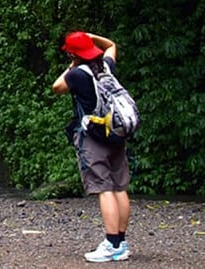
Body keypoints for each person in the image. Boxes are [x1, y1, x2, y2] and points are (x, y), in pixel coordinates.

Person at [52, 31, 132, 263]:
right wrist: (91, 37)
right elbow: (112, 45)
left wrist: (74, 61)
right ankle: (121, 244)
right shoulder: (106, 66)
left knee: (104, 187)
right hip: (117, 133)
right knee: (119, 187)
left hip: (94, 137)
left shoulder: (77, 74)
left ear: (73, 54)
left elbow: (56, 87)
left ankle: (110, 244)